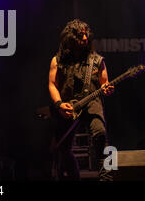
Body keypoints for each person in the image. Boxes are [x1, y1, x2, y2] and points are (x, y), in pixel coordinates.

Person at [48, 19, 114, 181]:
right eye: (80, 35)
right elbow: (52, 84)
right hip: (67, 105)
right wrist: (58, 104)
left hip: (92, 102)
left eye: (86, 35)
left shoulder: (97, 61)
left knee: (101, 136)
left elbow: (105, 83)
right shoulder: (57, 60)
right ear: (70, 38)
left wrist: (107, 88)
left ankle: (107, 177)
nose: (85, 39)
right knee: (62, 147)